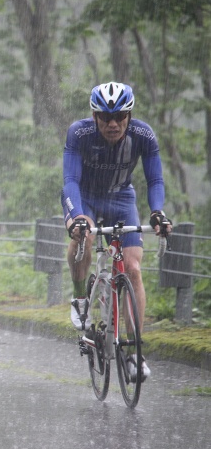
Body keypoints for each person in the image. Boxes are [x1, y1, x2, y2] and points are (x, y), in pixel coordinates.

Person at [62, 81, 173, 382]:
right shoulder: (79, 133)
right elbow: (70, 179)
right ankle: (80, 298)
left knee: (133, 269)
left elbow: (156, 180)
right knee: (83, 234)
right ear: (94, 116)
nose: (113, 124)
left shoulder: (143, 135)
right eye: (106, 117)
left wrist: (157, 212)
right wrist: (75, 217)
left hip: (121, 197)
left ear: (129, 115)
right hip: (84, 195)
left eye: (120, 117)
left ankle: (135, 352)